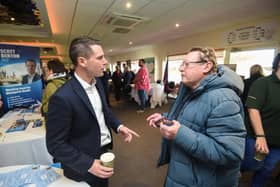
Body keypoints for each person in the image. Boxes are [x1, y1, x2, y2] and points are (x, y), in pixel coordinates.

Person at [46, 36, 140, 187]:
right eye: (100, 58)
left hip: (103, 152)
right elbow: (55, 144)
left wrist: (119, 126)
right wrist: (88, 164)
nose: (105, 62)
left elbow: (104, 111)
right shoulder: (62, 97)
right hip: (81, 165)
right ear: (82, 61)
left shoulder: (98, 84)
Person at [146, 47, 246, 187]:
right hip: (186, 171)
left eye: (186, 64)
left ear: (206, 66)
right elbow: (191, 118)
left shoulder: (224, 100)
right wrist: (165, 118)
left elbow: (229, 153)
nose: (181, 68)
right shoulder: (192, 90)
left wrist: (179, 133)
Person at [241, 53, 280, 187]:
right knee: (252, 165)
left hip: (277, 142)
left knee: (267, 170)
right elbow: (253, 109)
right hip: (256, 137)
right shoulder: (263, 83)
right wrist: (260, 136)